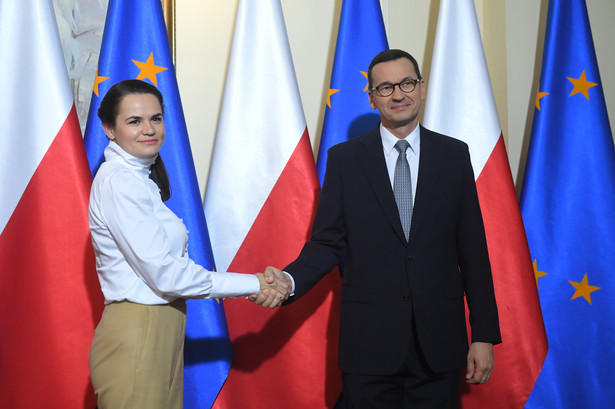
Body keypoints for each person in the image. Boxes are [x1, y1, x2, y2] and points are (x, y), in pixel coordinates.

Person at [261, 49, 501, 408]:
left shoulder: (454, 156)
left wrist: (483, 334)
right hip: (369, 347)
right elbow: (327, 243)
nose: (399, 94)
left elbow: (473, 249)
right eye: (386, 87)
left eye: (406, 83)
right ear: (372, 98)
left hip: (439, 344)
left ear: (422, 88)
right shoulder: (345, 160)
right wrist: (290, 280)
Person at [88, 79, 289, 409]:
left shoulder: (139, 178)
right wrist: (253, 282)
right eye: (134, 121)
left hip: (161, 325)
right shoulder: (120, 181)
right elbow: (167, 276)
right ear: (109, 129)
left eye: (156, 118)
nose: (149, 129)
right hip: (139, 328)